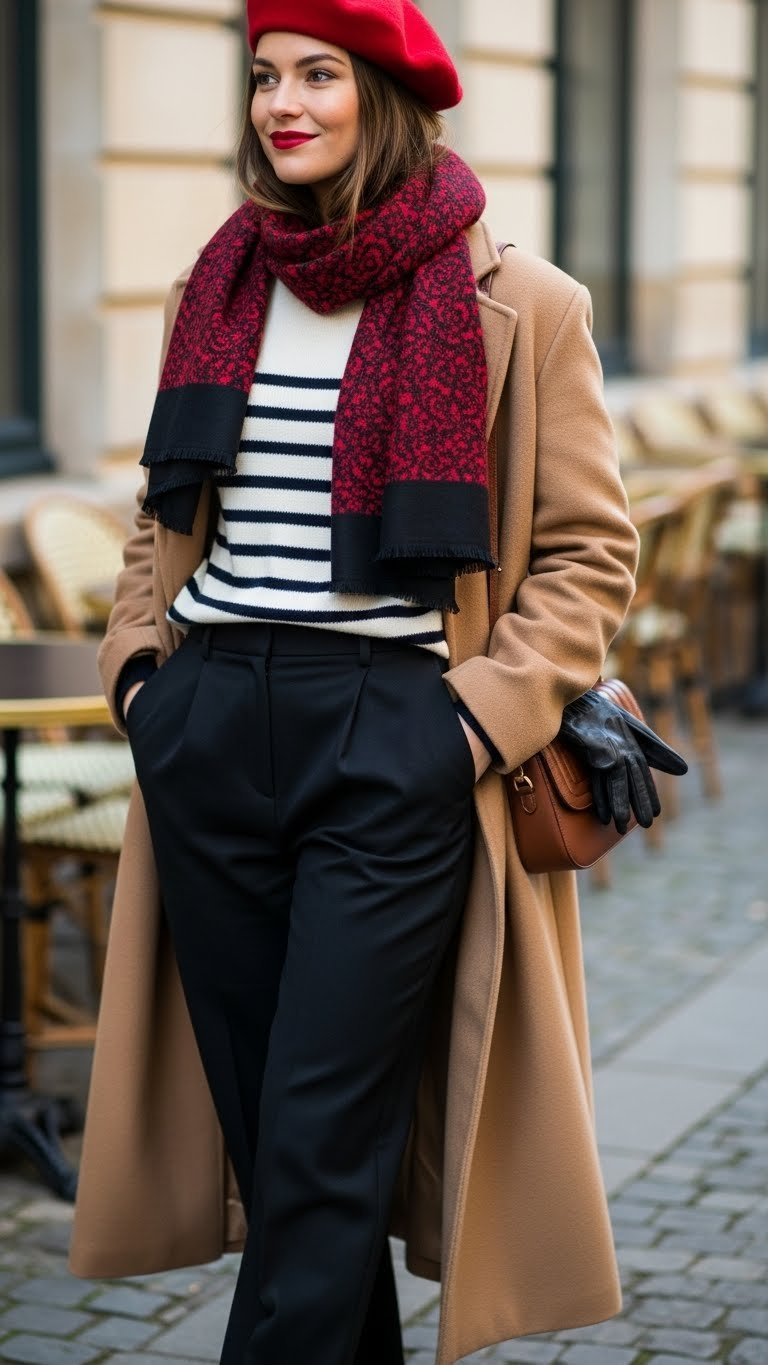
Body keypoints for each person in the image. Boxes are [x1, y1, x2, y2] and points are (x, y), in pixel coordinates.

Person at [68, 3, 678, 1361]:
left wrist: (468, 724)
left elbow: (589, 555)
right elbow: (166, 522)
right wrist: (142, 683)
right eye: (266, 75)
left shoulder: (522, 302)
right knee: (281, 1146)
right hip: (210, 725)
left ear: (386, 95)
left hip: (396, 738)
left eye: (319, 76)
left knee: (321, 1134)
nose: (281, 102)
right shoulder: (214, 287)